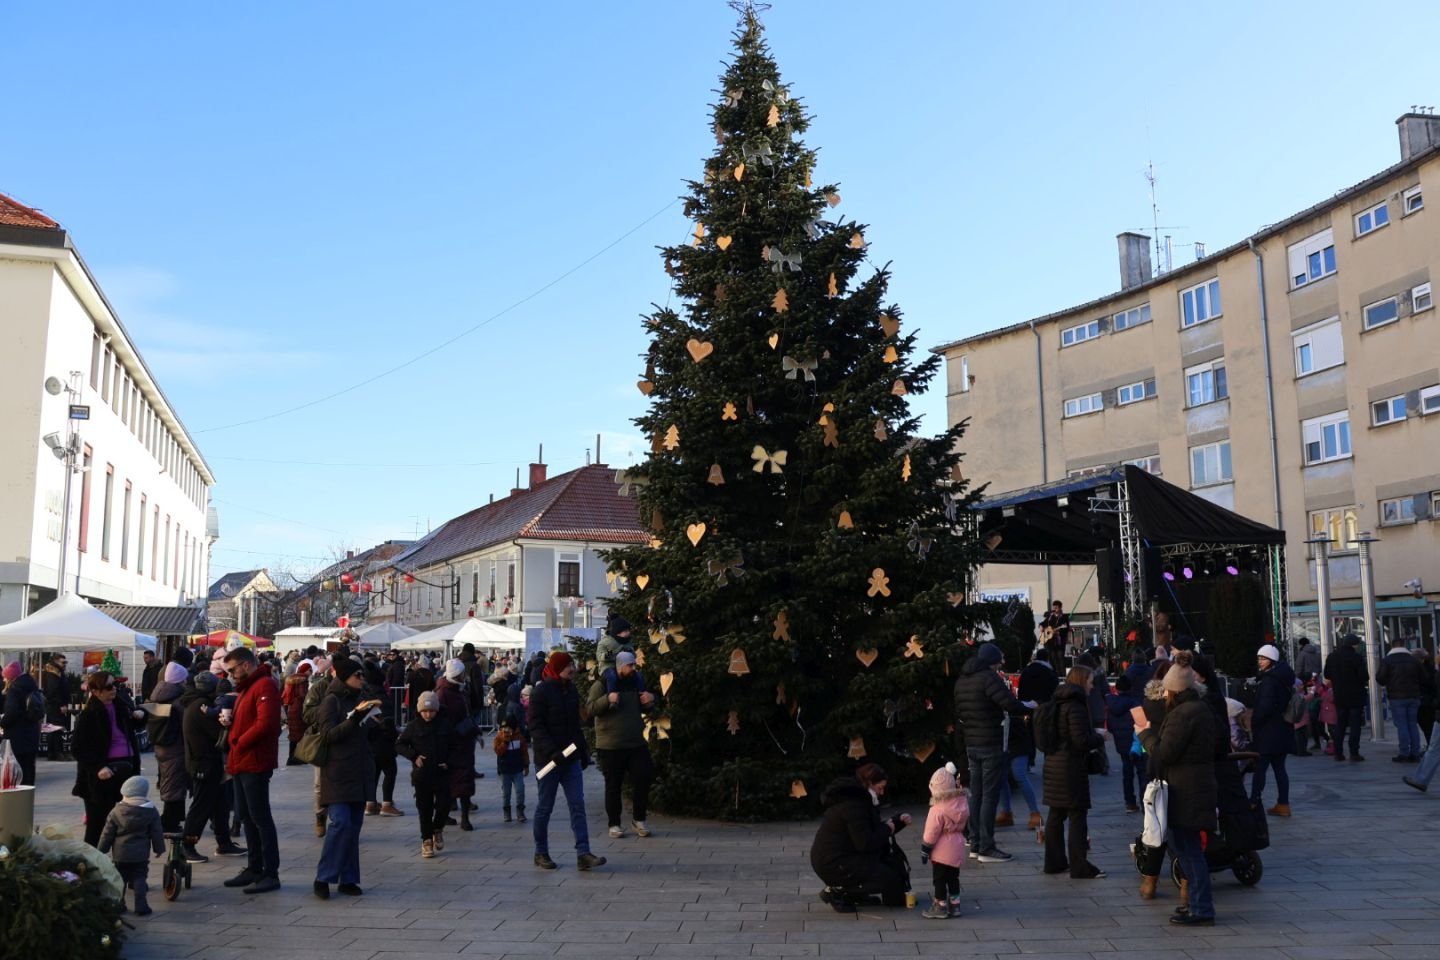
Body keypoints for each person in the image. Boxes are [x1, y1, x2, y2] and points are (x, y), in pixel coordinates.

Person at [1136, 657, 1218, 926]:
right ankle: (1196, 902)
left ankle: (1202, 908)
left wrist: (1145, 735)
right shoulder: (1200, 708)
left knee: (1189, 851)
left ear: (1174, 690)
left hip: (1186, 790)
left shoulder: (1182, 715)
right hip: (1195, 786)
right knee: (1186, 848)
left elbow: (1164, 753)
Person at [952, 641, 1033, 863]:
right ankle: (987, 847)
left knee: (975, 794)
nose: (1000, 666)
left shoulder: (962, 680)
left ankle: (975, 842)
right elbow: (1009, 704)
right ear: (991, 661)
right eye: (998, 662)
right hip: (990, 743)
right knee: (989, 795)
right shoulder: (988, 678)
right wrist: (1031, 707)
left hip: (972, 744)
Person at [528, 650, 605, 871]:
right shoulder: (541, 692)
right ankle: (540, 852)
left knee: (577, 805)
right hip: (549, 761)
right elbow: (535, 726)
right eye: (567, 666)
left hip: (570, 759)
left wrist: (582, 752)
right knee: (545, 807)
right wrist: (552, 751)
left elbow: (575, 725)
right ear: (556, 668)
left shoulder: (570, 690)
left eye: (571, 664)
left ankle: (583, 853)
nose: (571, 669)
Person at [312, 657, 381, 899]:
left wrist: (377, 724)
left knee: (353, 827)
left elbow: (362, 734)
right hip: (338, 772)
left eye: (362, 676)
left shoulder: (361, 700)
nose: (361, 680)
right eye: (357, 676)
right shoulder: (331, 701)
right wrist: (353, 720)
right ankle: (323, 877)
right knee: (340, 823)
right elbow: (328, 735)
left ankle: (348, 878)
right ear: (344, 677)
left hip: (359, 771)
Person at [219, 646, 282, 894]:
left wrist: (239, 741)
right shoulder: (248, 688)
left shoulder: (264, 685)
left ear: (246, 665)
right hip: (242, 760)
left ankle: (269, 872)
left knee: (260, 818)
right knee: (246, 816)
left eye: (233, 669)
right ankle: (254, 867)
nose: (231, 674)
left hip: (253, 761)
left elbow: (266, 724)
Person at [810, 763, 911, 912]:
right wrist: (887, 828)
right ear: (870, 784)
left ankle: (854, 894)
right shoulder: (855, 805)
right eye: (880, 788)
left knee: (889, 873)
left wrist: (896, 822)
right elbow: (865, 843)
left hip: (841, 857)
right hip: (833, 863)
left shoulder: (860, 800)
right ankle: (839, 892)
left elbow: (870, 831)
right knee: (888, 878)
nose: (882, 792)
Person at [1040, 665, 1105, 879]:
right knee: (1077, 815)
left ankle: (1054, 862)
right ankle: (1079, 866)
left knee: (1056, 814)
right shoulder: (1075, 706)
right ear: (1080, 681)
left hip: (1053, 765)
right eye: (1090, 681)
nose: (1092, 685)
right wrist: (1099, 736)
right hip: (1070, 768)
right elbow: (1081, 740)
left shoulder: (1056, 702)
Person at [585, 650, 658, 839]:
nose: (633, 668)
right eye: (629, 665)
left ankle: (639, 819)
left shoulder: (636, 681)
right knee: (613, 785)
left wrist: (651, 699)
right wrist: (606, 699)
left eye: (634, 665)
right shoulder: (601, 684)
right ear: (619, 666)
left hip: (635, 742)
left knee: (644, 777)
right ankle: (614, 824)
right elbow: (590, 709)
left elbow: (645, 703)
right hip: (610, 744)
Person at [71, 670, 141, 846]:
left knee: (125, 821)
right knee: (97, 823)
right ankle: (89, 864)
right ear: (96, 691)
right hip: (104, 772)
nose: (114, 690)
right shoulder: (89, 714)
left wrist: (140, 716)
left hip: (127, 766)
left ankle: (120, 862)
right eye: (109, 687)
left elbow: (131, 729)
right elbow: (78, 748)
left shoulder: (121, 705)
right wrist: (98, 767)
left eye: (115, 685)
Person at [180, 670, 242, 862]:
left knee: (219, 804)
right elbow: (218, 734)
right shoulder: (202, 706)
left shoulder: (198, 703)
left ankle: (224, 843)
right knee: (201, 805)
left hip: (208, 763)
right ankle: (187, 845)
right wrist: (227, 724)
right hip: (203, 764)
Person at [396, 690, 455, 858]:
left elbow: (455, 746)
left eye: (431, 711)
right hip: (422, 775)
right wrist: (414, 757)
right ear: (419, 711)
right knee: (424, 808)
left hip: (442, 773)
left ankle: (437, 828)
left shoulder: (444, 725)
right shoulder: (413, 726)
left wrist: (449, 762)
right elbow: (399, 745)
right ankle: (427, 840)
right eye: (425, 711)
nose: (428, 714)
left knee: (444, 805)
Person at [98, 775, 165, 916]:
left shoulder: (116, 811)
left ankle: (119, 904)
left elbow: (107, 833)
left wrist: (102, 849)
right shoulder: (151, 811)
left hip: (120, 854)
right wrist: (159, 849)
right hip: (140, 854)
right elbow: (157, 832)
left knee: (120, 878)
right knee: (140, 878)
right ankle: (141, 906)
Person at [142, 662, 191, 833]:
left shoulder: (156, 697)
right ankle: (168, 822)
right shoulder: (178, 701)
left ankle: (174, 818)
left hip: (160, 745)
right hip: (176, 747)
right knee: (174, 785)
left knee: (169, 781)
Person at [1250, 643, 1296, 816]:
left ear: (1272, 660)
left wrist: (1254, 722)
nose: (1260, 662)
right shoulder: (1283, 677)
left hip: (1268, 731)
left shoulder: (1270, 680)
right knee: (1279, 768)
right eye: (1259, 658)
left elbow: (1265, 707)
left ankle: (1254, 801)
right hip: (1282, 728)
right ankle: (1283, 804)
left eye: (1263, 659)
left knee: (1260, 768)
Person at [919, 763, 968, 919]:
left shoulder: (937, 809)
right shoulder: (962, 803)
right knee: (953, 878)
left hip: (941, 850)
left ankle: (940, 906)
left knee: (939, 879)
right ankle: (955, 905)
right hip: (957, 845)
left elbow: (931, 832)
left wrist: (925, 848)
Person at [435, 659, 478, 831]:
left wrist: (474, 731)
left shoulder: (460, 689)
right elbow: (443, 719)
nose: (465, 676)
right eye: (462, 674)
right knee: (451, 781)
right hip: (453, 743)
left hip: (465, 741)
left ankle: (464, 816)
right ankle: (449, 815)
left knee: (464, 780)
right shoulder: (444, 692)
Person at [1324, 634, 1369, 761]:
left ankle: (1338, 752)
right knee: (1355, 725)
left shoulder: (1332, 656)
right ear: (1353, 645)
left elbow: (1327, 674)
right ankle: (1354, 752)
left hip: (1339, 695)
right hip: (1355, 696)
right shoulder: (1357, 657)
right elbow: (1364, 677)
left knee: (1340, 724)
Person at [1378, 640, 1424, 763]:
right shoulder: (1413, 660)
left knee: (1402, 725)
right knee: (1412, 724)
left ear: (1392, 646)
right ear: (1404, 645)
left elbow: (1380, 678)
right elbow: (1423, 677)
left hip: (1397, 697)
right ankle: (1415, 752)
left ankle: (1404, 752)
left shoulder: (1387, 660)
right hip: (1414, 696)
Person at [1106, 674, 1144, 813]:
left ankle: (1130, 802)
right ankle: (1143, 799)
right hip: (1136, 742)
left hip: (1120, 743)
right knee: (1141, 772)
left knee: (1127, 772)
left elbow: (1109, 726)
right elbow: (1142, 724)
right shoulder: (1135, 703)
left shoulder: (1111, 704)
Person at [1, 660, 43, 785]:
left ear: (11, 677)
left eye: (5, 677)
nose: (4, 680)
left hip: (17, 737)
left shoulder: (15, 690)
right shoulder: (31, 685)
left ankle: (20, 801)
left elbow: (11, 713)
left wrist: (2, 723)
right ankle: (28, 798)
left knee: (18, 771)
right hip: (31, 734)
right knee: (29, 768)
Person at [494, 715, 529, 823]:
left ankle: (520, 811)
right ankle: (507, 812)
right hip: (505, 771)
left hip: (517, 769)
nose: (506, 730)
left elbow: (524, 752)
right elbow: (498, 751)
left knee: (520, 790)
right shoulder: (499, 737)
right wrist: (505, 742)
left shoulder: (520, 738)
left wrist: (526, 765)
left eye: (508, 728)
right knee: (506, 793)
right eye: (504, 728)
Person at [41, 653, 74, 761]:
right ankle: (55, 752)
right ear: (55, 662)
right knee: (55, 728)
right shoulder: (52, 674)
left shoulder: (59, 673)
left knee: (57, 729)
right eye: (63, 662)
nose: (65, 664)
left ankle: (56, 752)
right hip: (54, 706)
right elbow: (52, 692)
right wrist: (61, 704)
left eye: (66, 662)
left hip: (58, 704)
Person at [283, 660, 312, 766]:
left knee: (294, 733)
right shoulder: (302, 680)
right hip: (299, 708)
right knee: (298, 733)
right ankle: (293, 758)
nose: (311, 672)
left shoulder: (293, 678)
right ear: (305, 670)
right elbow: (302, 694)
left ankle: (292, 757)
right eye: (310, 670)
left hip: (291, 707)